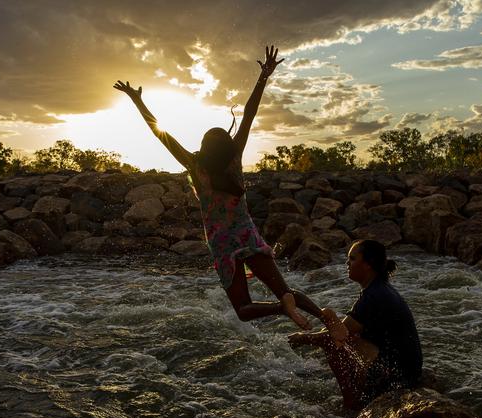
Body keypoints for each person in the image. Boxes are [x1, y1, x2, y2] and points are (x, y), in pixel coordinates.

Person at [114, 46, 344, 337]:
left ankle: (280, 309)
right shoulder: (234, 158)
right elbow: (249, 113)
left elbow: (160, 133)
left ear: (204, 147)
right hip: (247, 234)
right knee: (285, 289)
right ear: (226, 145)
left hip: (222, 245)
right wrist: (264, 76)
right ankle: (327, 318)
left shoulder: (195, 166)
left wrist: (137, 100)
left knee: (243, 309)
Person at [288, 239, 423, 410]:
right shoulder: (379, 289)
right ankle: (360, 393)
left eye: (352, 259)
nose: (347, 263)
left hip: (398, 375)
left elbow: (337, 333)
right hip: (405, 369)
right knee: (340, 334)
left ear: (368, 264)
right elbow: (344, 327)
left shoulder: (374, 296)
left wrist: (302, 338)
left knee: (333, 343)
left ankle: (352, 404)